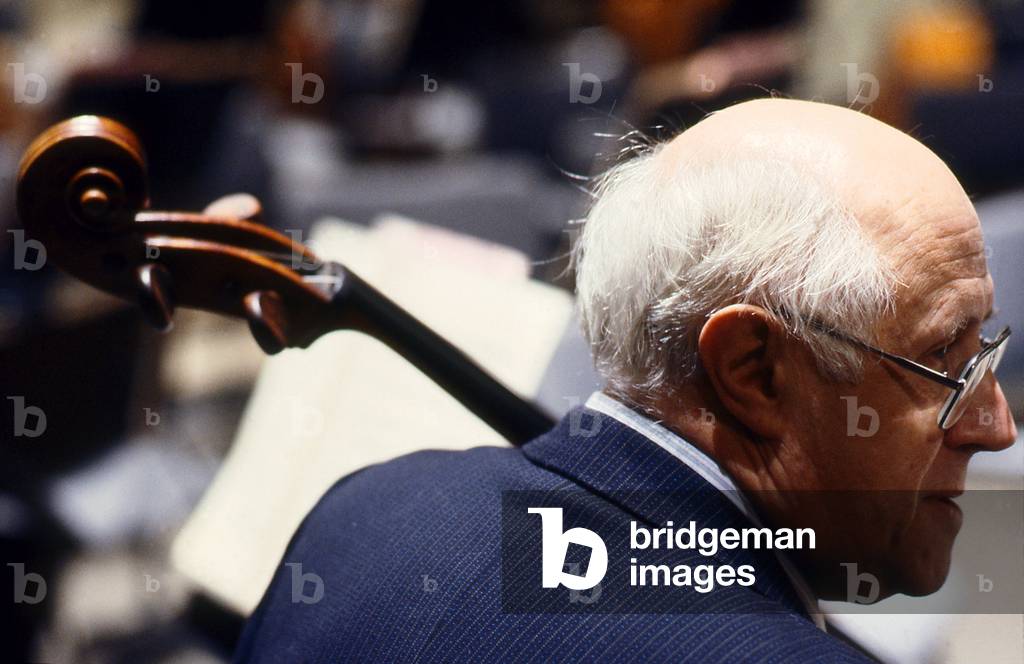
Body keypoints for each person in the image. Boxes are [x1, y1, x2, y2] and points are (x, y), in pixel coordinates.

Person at [232, 98, 1016, 663]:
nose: (997, 426)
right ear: (754, 372)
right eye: (947, 360)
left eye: (988, 352)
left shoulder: (362, 512)